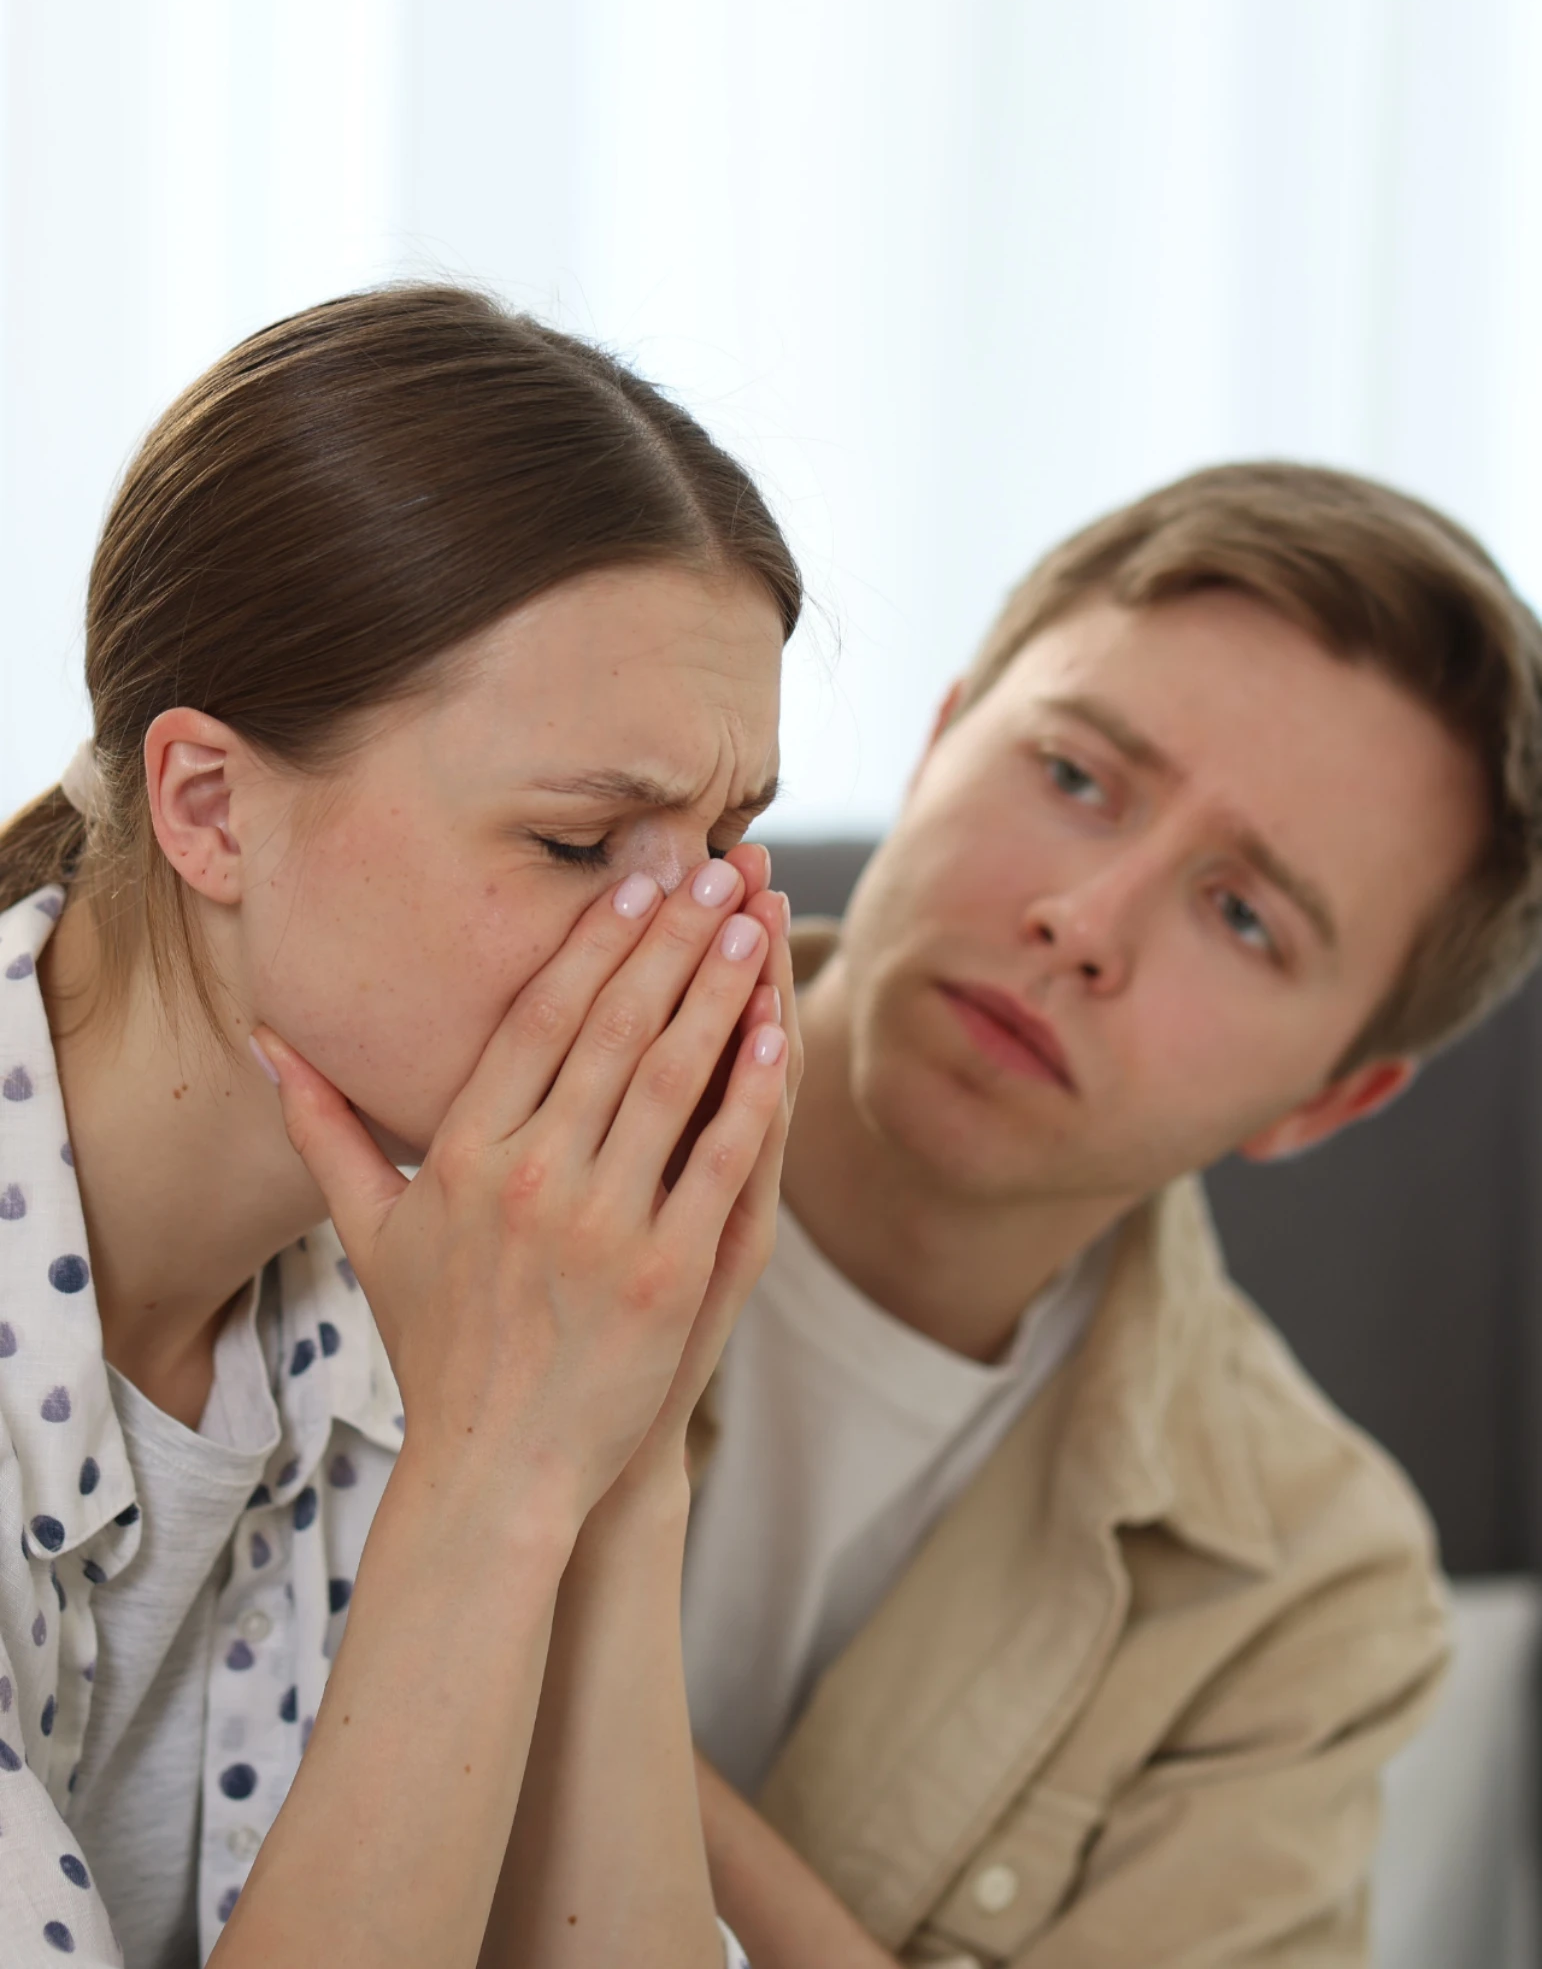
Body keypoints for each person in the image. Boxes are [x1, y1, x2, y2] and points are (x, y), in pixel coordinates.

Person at [0, 283, 804, 1968]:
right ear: (209, 806)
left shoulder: (450, 1290)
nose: (704, 943)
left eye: (725, 836)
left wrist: (620, 1464)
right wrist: (502, 1469)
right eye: (584, 846)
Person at [681, 463, 1542, 1968]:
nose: (1083, 924)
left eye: (1241, 914)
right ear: (942, 737)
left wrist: (550, 1642)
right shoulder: (425, 1099)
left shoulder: (1308, 1602)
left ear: (1321, 1104)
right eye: (1075, 777)